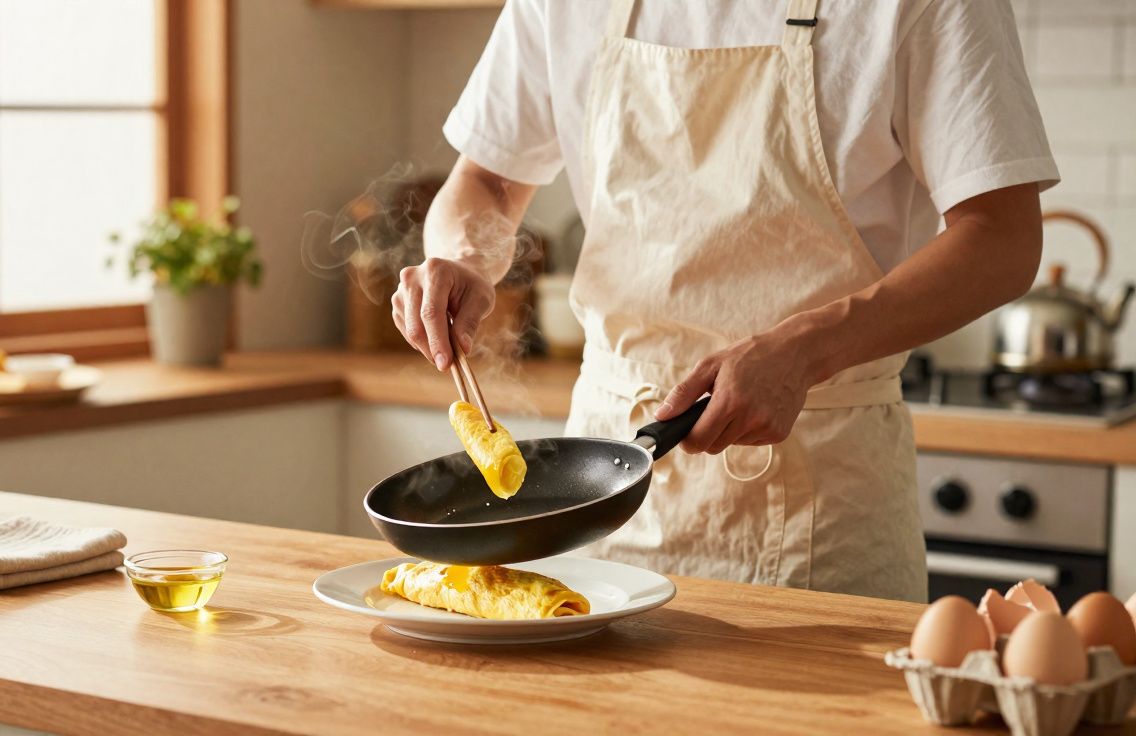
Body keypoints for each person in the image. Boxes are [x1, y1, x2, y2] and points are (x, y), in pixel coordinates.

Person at [390, 0, 1057, 602]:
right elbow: (486, 180)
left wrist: (805, 349)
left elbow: (1002, 238)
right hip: (608, 493)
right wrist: (465, 257)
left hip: (822, 509)